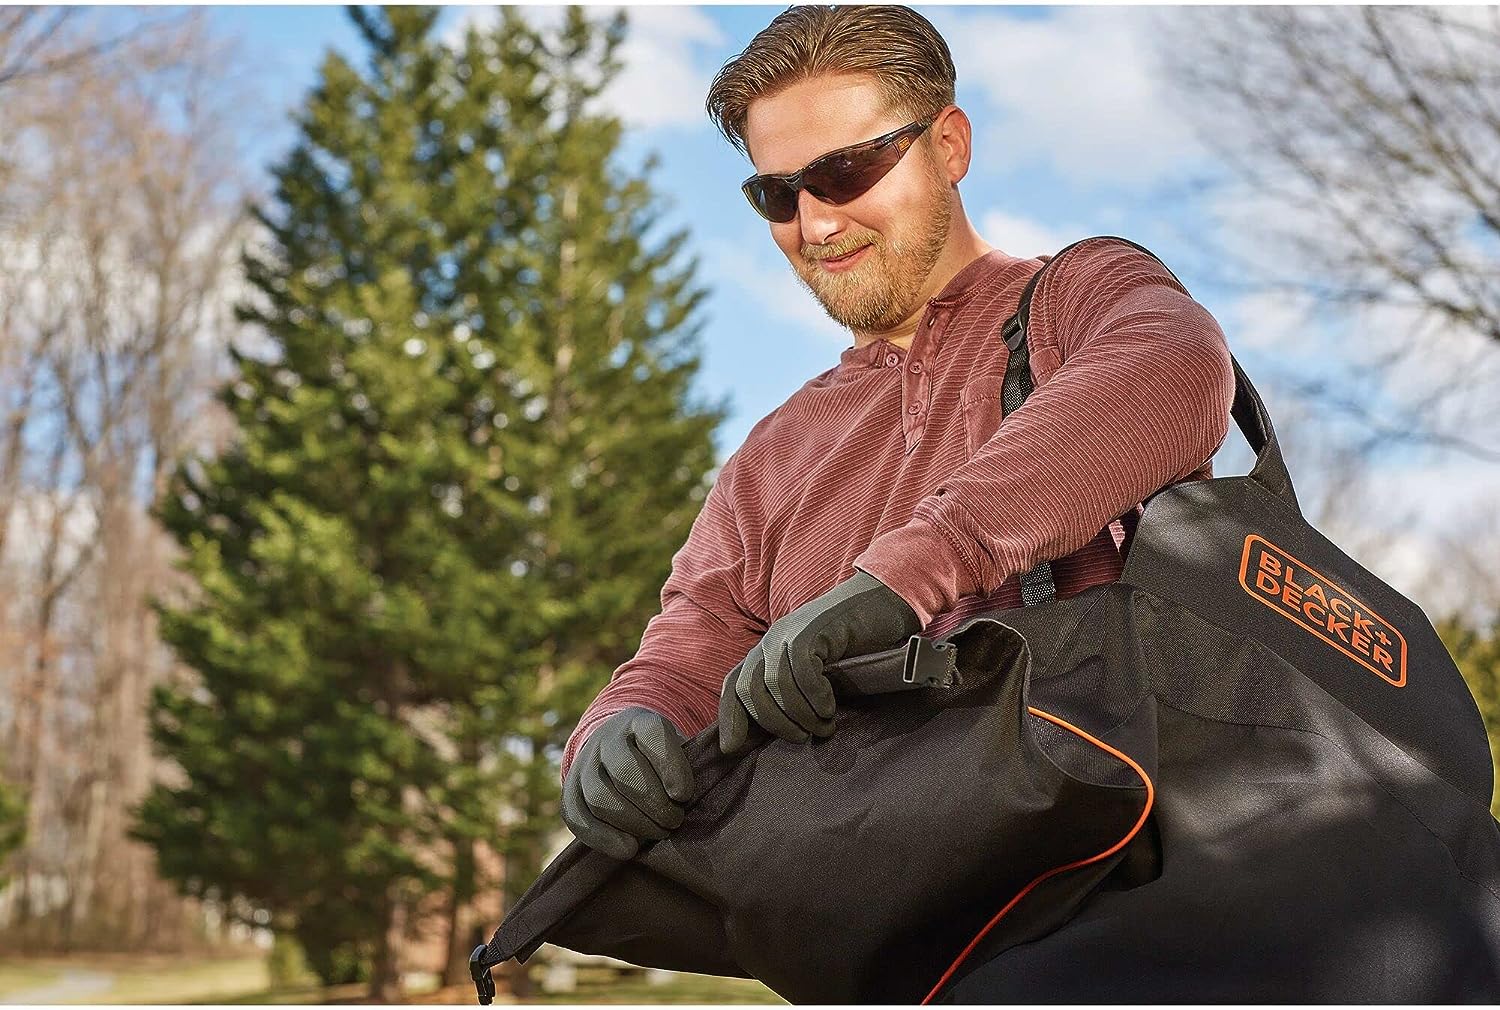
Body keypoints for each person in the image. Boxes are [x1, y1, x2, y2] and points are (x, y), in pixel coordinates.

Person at [559, 4, 1235, 861]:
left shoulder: (1073, 298)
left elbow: (1178, 365)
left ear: (949, 146)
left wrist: (906, 578)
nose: (815, 225)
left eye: (845, 172)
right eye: (779, 195)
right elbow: (688, 658)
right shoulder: (765, 461)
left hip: (1122, 883)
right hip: (891, 918)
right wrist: (616, 729)